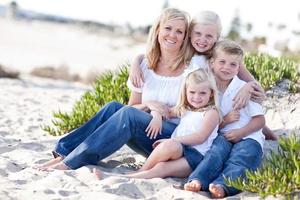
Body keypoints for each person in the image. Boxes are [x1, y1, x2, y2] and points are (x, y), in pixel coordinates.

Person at [35, 7, 194, 171]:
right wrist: (150, 105)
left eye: (179, 32)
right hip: (148, 133)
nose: (172, 35)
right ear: (158, 30)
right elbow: (133, 106)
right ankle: (64, 153)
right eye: (168, 28)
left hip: (172, 140)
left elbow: (193, 110)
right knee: (113, 107)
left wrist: (161, 112)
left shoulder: (190, 69)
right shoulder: (145, 66)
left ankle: (72, 162)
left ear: (184, 38)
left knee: (128, 115)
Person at [129, 10, 277, 140]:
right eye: (197, 34)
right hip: (207, 104)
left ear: (217, 38)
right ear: (189, 34)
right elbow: (153, 54)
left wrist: (248, 88)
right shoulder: (188, 52)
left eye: (209, 36)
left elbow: (257, 89)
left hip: (221, 102)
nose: (202, 40)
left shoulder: (221, 53)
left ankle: (263, 129)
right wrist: (136, 62)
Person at [96, 68, 221, 179]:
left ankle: (132, 174)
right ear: (186, 92)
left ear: (211, 94)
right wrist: (156, 117)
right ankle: (138, 171)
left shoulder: (211, 113)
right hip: (180, 149)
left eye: (202, 93)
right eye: (192, 92)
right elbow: (162, 111)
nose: (196, 97)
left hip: (196, 157)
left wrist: (174, 140)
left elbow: (200, 137)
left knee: (162, 166)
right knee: (170, 146)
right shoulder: (185, 109)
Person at [184, 40, 265, 198]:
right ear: (212, 63)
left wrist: (242, 132)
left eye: (233, 64)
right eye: (222, 62)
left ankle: (223, 185)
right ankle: (198, 180)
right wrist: (225, 121)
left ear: (239, 68)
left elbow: (260, 121)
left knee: (243, 157)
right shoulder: (208, 89)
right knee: (215, 153)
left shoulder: (244, 88)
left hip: (249, 136)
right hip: (223, 134)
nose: (227, 67)